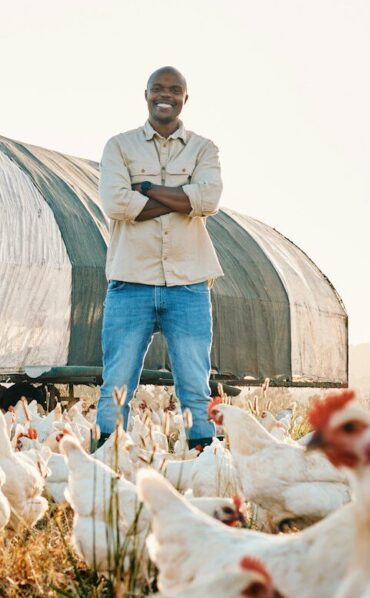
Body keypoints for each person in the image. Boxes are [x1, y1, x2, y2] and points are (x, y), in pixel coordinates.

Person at [96, 66, 223, 451]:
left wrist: (146, 189)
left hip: (189, 283)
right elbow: (116, 203)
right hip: (130, 280)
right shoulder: (119, 146)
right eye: (158, 89)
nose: (164, 95)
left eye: (174, 89)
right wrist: (182, 198)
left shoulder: (204, 148)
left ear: (186, 97)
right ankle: (108, 459)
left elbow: (209, 201)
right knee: (116, 381)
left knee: (194, 382)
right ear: (146, 94)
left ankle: (204, 462)